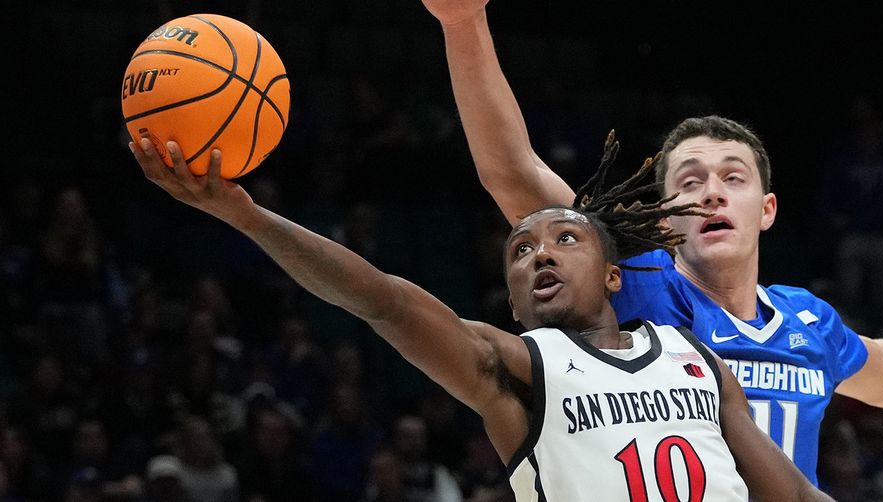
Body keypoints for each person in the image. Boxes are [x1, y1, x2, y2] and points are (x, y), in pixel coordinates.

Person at [422, 0, 883, 484]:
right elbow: (517, 176)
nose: (711, 194)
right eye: (689, 182)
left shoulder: (807, 322)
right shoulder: (643, 287)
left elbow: (882, 368)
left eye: (732, 179)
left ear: (766, 210)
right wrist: (463, 22)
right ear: (665, 217)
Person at [129, 137, 830, 501]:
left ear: (615, 275)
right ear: (515, 304)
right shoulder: (520, 369)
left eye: (564, 239)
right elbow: (381, 299)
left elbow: (791, 493)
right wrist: (246, 216)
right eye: (519, 252)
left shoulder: (692, 356)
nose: (539, 255)